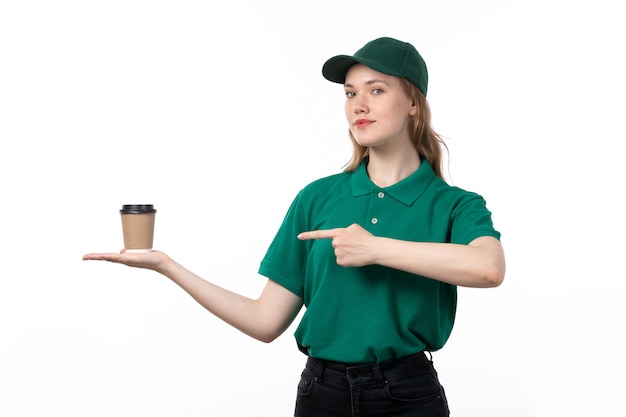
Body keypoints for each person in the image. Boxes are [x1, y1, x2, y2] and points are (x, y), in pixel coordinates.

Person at [84, 36, 505, 417]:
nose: (359, 105)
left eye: (377, 90)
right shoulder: (317, 197)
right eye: (350, 93)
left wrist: (375, 248)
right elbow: (265, 320)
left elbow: (488, 267)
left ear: (413, 102)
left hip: (407, 398)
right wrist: (166, 266)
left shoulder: (455, 204)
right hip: (322, 395)